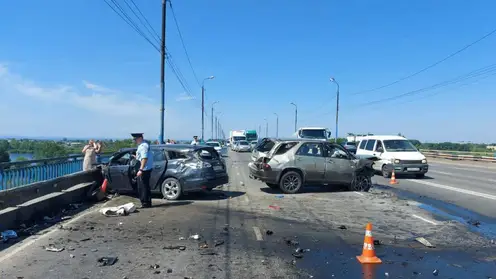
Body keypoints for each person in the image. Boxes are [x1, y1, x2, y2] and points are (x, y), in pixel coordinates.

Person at [132, 133, 154, 208]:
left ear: (140, 138)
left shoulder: (143, 146)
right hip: (146, 168)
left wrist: (140, 169)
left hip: (144, 169)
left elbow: (144, 158)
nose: (134, 141)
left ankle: (145, 203)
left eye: (135, 139)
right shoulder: (143, 145)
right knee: (145, 186)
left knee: (143, 187)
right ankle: (146, 202)